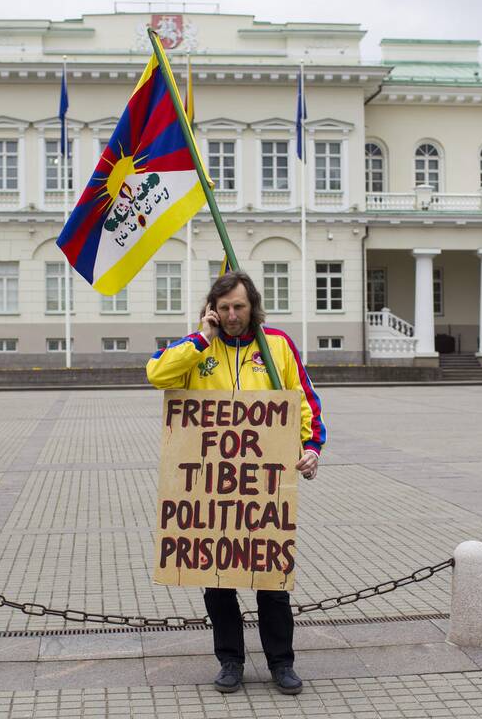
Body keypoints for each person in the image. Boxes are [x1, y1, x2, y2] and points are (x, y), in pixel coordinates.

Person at [146, 270, 325, 696]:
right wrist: (199, 339)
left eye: (239, 307)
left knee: (271, 579)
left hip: (266, 484)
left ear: (253, 306)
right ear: (212, 309)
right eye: (223, 308)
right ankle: (230, 660)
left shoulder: (276, 344)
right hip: (212, 488)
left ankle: (282, 663)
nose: (231, 316)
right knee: (217, 578)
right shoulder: (196, 347)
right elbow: (157, 375)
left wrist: (311, 446)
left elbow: (303, 399)